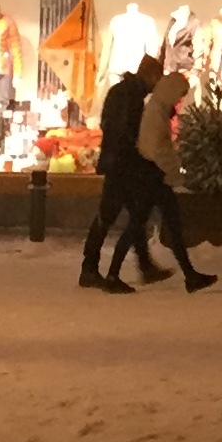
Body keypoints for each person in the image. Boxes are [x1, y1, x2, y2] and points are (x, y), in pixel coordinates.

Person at [111, 66, 217, 295]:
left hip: (155, 176)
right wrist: (174, 173)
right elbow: (156, 150)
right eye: (179, 94)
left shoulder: (157, 110)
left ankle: (190, 275)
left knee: (164, 224)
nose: (180, 100)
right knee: (141, 224)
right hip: (153, 177)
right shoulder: (156, 113)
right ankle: (113, 274)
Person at [79, 53, 161, 293]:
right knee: (116, 215)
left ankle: (100, 268)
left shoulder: (123, 91)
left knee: (125, 215)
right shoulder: (132, 96)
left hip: (118, 162)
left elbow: (112, 126)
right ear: (149, 76)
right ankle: (94, 270)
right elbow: (126, 131)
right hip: (123, 165)